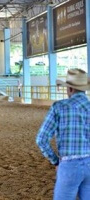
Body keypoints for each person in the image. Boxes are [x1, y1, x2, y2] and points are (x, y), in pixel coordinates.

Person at [36, 68, 90, 200]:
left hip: (69, 165)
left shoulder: (59, 107)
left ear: (70, 89)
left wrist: (55, 162)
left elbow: (41, 139)